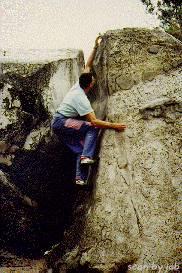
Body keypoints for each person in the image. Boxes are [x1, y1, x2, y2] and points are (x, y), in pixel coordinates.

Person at [51, 36, 126, 186]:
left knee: (80, 148)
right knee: (92, 128)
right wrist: (114, 126)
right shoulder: (81, 99)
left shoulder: (78, 84)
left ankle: (80, 179)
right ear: (90, 85)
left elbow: (88, 65)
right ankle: (86, 157)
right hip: (61, 122)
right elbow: (94, 121)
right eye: (93, 80)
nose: (93, 79)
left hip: (59, 126)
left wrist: (95, 47)